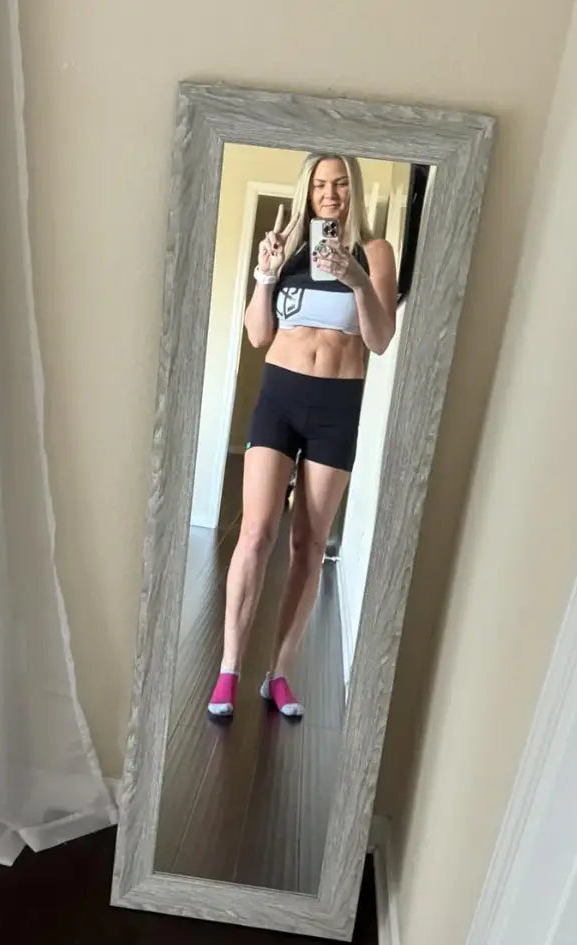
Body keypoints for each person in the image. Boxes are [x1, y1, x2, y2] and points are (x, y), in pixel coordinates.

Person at [207, 153, 397, 720]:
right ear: (307, 192)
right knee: (256, 532)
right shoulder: (287, 247)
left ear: (353, 190)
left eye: (340, 184)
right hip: (279, 398)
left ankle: (279, 673)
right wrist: (265, 275)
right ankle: (228, 670)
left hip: (337, 405)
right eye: (319, 185)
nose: (330, 194)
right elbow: (258, 335)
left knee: (309, 545)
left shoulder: (376, 252)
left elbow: (380, 339)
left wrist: (355, 277)